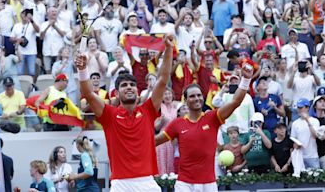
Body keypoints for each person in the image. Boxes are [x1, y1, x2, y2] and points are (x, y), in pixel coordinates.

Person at [75, 35, 174, 190]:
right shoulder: (109, 115)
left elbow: (162, 79)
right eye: (124, 85)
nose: (129, 87)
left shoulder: (148, 110)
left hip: (147, 182)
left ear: (137, 90)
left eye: (132, 85)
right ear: (116, 93)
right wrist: (82, 69)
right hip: (121, 184)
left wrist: (168, 49)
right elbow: (88, 93)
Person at [155, 61, 253, 191]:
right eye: (192, 96)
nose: (196, 98)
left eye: (199, 95)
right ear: (185, 100)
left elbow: (235, 102)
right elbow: (155, 141)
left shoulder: (212, 118)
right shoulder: (177, 123)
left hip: (209, 184)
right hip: (185, 184)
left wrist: (246, 79)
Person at [291, 98, 321, 169]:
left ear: (307, 108)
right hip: (300, 156)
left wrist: (307, 120)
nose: (299, 110)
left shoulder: (315, 121)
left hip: (312, 156)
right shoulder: (295, 123)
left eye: (301, 108)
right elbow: (293, 139)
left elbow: (315, 135)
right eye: (298, 108)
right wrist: (295, 144)